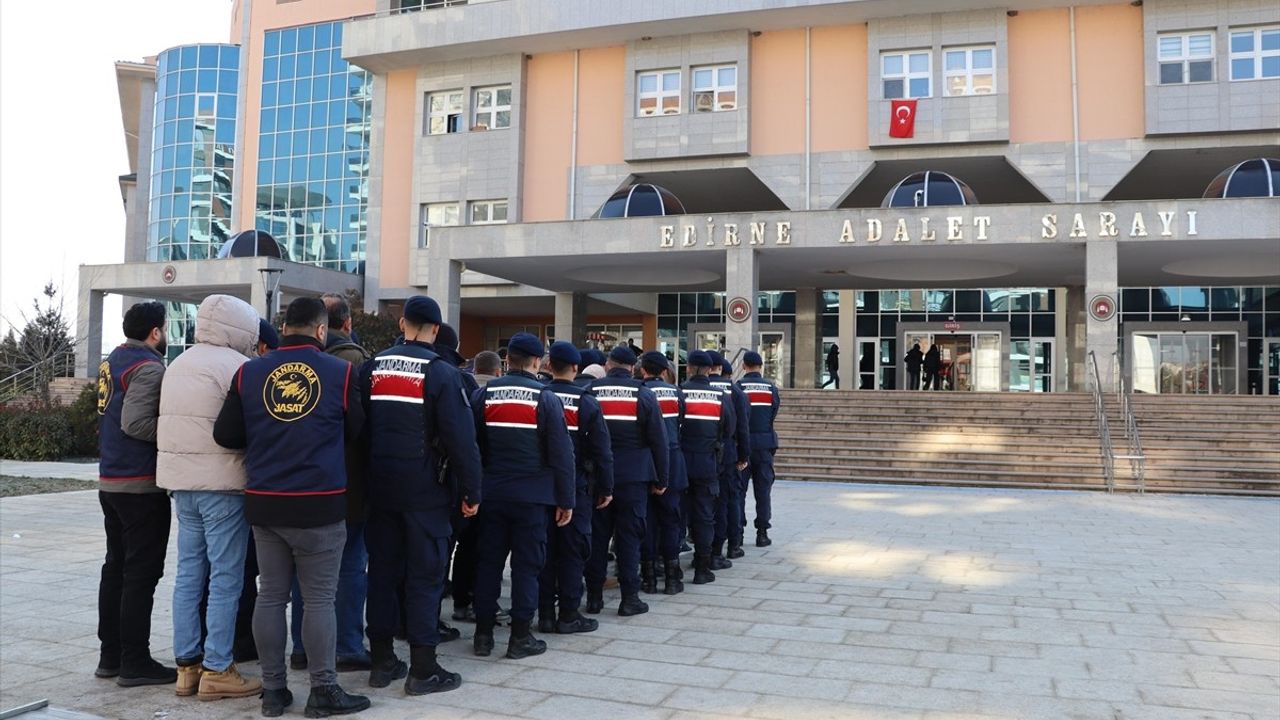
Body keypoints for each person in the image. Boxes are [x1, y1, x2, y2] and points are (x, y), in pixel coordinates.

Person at [213, 297, 370, 718]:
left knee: (271, 597)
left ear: (284, 326)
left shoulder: (249, 373)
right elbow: (356, 430)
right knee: (319, 600)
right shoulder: (341, 372)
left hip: (266, 503)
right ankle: (323, 690)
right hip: (319, 503)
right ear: (321, 331)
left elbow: (226, 434)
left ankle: (273, 691)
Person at [361, 298, 481, 695]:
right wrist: (472, 491)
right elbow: (461, 441)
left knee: (381, 574)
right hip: (426, 492)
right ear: (435, 329)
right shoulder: (442, 373)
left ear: (402, 323)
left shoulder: (372, 368)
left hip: (379, 489)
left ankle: (381, 662)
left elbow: (358, 431)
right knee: (425, 578)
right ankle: (423, 669)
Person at [157, 295, 262, 701]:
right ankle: (219, 667)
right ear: (241, 328)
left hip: (182, 487)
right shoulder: (238, 368)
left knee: (188, 574)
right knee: (225, 578)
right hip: (224, 486)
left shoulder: (178, 364)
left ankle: (187, 666)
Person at [471, 333, 575, 659]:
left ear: (507, 360)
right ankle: (520, 637)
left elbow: (472, 446)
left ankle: (483, 635)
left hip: (492, 495)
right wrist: (566, 499)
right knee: (527, 568)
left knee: (488, 565)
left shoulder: (483, 395)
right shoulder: (545, 399)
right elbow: (561, 454)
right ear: (535, 362)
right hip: (532, 498)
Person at [291, 293, 373, 674]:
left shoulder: (279, 362)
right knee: (350, 566)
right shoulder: (354, 362)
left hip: (294, 483)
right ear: (346, 324)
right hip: (346, 484)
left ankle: (301, 648)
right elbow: (361, 426)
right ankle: (347, 645)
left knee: (298, 571)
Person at [95, 301, 175, 687]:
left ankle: (110, 656)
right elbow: (136, 423)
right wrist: (179, 434)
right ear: (155, 332)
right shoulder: (149, 367)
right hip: (139, 485)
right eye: (167, 327)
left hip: (111, 480)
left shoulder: (113, 360)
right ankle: (134, 661)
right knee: (140, 574)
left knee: (116, 569)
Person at [584, 345, 669, 617]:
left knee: (598, 537)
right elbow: (659, 440)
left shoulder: (591, 391)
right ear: (633, 367)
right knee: (630, 537)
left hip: (598, 476)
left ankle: (594, 598)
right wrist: (661, 478)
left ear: (609, 364)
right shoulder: (642, 393)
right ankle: (629, 598)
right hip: (634, 477)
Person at [539, 342, 614, 634]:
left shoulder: (539, 396)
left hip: (543, 485)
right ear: (575, 369)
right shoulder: (586, 401)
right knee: (573, 551)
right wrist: (606, 488)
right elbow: (602, 451)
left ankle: (545, 612)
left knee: (544, 550)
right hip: (578, 486)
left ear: (548, 366)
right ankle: (569, 613)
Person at [639, 351, 687, 595]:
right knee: (671, 521)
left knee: (647, 521)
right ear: (665, 371)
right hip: (673, 460)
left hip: (646, 463)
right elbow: (682, 424)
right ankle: (672, 578)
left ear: (643, 370)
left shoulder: (638, 392)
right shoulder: (676, 393)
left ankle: (648, 579)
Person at [678, 351, 728, 585]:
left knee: (676, 514)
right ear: (709, 370)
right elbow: (729, 430)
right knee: (705, 515)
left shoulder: (679, 392)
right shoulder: (720, 396)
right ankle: (702, 568)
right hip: (708, 462)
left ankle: (673, 570)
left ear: (688, 368)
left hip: (681, 461)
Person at [708, 352, 750, 564]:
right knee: (729, 500)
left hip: (702, 454)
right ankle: (732, 545)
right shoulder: (736, 392)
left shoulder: (692, 389)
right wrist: (743, 455)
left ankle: (707, 550)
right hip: (728, 453)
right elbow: (743, 428)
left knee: (706, 503)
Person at [737, 352, 781, 548]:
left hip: (742, 446)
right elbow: (773, 413)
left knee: (739, 491)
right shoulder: (770, 387)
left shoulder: (738, 387)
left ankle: (737, 533)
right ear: (761, 366)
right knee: (763, 490)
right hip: (764, 444)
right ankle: (762, 533)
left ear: (744, 365)